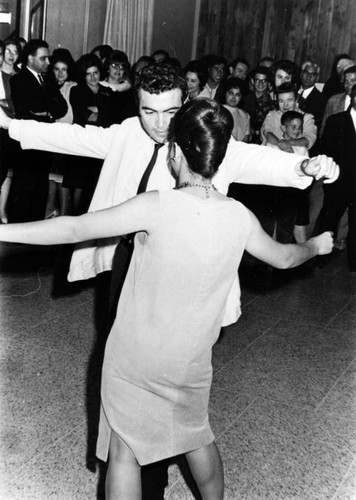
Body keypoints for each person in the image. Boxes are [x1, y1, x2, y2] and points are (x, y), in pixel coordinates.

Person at [0, 64, 339, 499]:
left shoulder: (179, 170)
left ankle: (151, 480)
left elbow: (261, 159)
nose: (160, 124)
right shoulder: (137, 139)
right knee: (193, 428)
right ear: (137, 106)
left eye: (170, 113)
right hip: (147, 285)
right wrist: (12, 125)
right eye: (149, 112)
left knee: (126, 438)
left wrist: (306, 165)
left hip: (149, 317)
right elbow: (75, 137)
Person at [7, 39, 67, 222]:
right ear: (30, 58)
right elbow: (26, 111)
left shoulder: (47, 79)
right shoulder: (18, 80)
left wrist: (45, 111)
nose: (48, 63)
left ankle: (35, 231)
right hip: (27, 145)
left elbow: (62, 108)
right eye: (43, 59)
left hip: (44, 143)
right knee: (24, 189)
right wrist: (48, 111)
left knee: (40, 189)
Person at [317, 84, 356, 272]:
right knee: (329, 218)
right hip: (339, 181)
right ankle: (320, 257)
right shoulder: (336, 121)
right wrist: (330, 178)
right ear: (352, 98)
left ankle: (354, 263)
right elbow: (326, 150)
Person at [321, 65, 356, 134]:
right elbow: (324, 129)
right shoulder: (333, 101)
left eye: (353, 80)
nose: (348, 84)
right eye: (346, 81)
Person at [220, 77, 250, 141]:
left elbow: (245, 141)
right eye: (230, 93)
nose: (233, 97)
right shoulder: (218, 111)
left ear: (241, 97)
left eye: (237, 95)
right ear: (225, 93)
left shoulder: (245, 115)